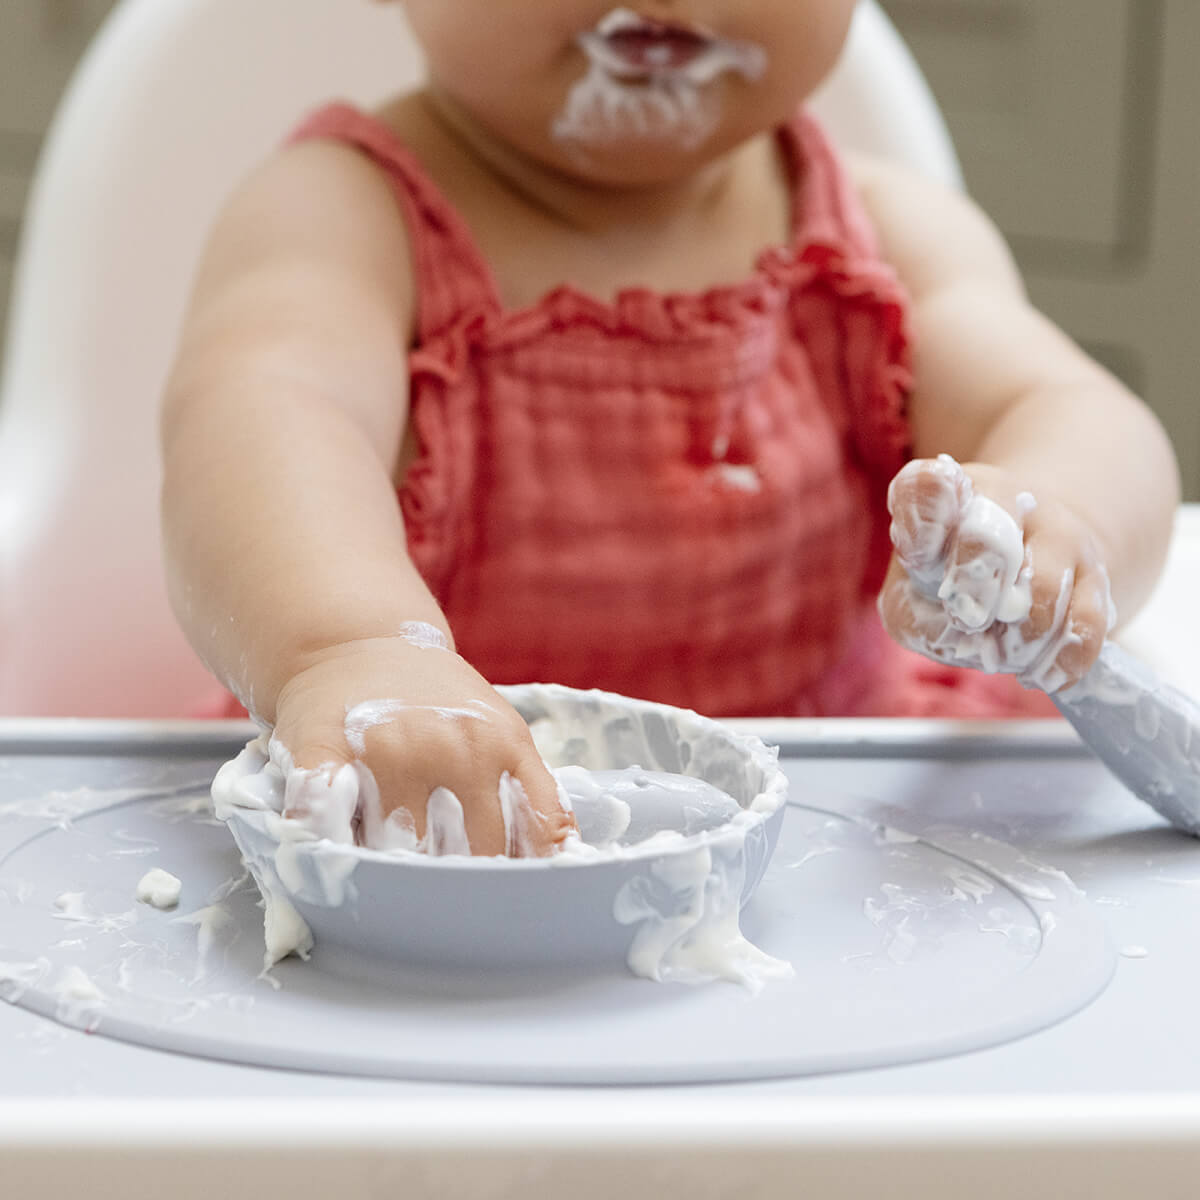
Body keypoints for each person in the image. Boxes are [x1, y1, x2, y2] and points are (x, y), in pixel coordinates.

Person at [160, 1, 1180, 857]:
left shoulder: (885, 239)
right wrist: (352, 652)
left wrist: (1059, 525)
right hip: (453, 822)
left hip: (827, 835)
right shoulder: (340, 214)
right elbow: (267, 417)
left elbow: (1070, 409)